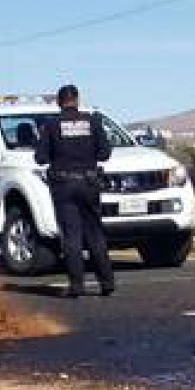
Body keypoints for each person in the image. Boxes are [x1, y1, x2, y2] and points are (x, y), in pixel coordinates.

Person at [35, 84, 115, 297]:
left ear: (59, 102)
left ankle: (77, 285)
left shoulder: (51, 126)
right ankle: (106, 282)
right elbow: (105, 153)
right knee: (95, 233)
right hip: (89, 184)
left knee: (72, 236)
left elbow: (40, 158)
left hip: (63, 186)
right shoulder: (93, 122)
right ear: (77, 100)